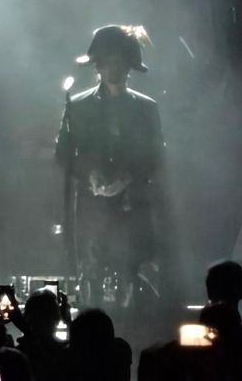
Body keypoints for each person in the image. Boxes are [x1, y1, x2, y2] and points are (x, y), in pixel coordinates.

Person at [55, 24, 165, 306]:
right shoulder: (78, 106)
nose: (114, 68)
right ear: (98, 65)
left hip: (132, 208)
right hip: (92, 211)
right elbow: (63, 153)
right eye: (108, 62)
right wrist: (89, 175)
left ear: (129, 65)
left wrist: (127, 179)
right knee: (90, 278)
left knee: (131, 277)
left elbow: (156, 156)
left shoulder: (146, 108)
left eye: (120, 62)